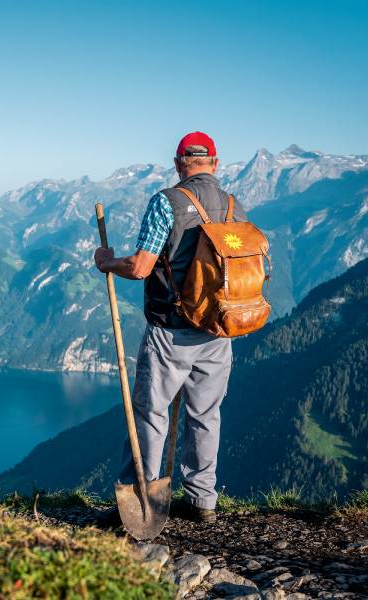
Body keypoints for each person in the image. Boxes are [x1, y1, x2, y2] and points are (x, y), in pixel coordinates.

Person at [94, 132, 247, 522]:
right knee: (206, 414)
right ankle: (202, 501)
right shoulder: (235, 206)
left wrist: (107, 262)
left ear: (180, 163)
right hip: (218, 330)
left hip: (171, 332)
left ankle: (144, 501)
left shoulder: (167, 202)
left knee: (151, 414)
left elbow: (141, 267)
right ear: (215, 163)